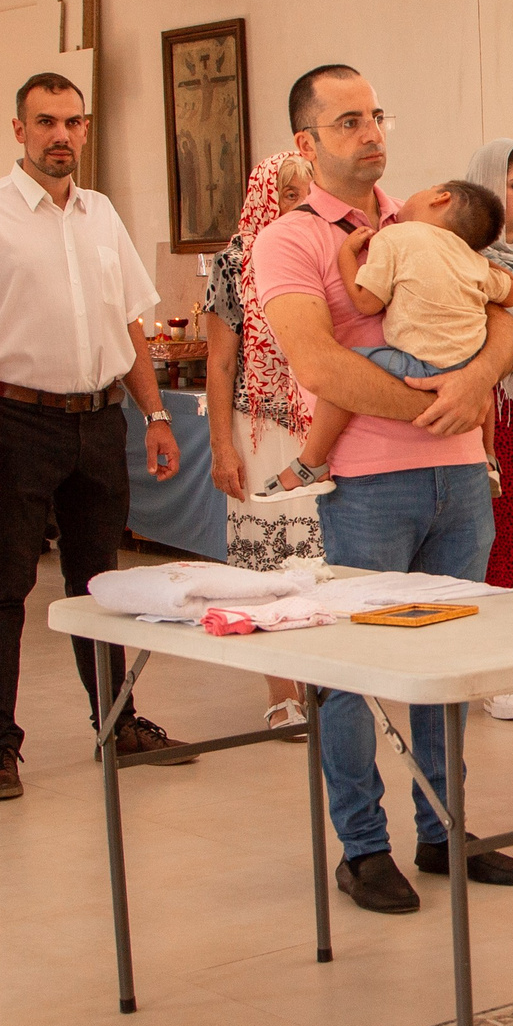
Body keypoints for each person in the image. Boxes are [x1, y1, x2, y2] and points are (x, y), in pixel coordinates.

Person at [254, 65, 513, 911]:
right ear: (307, 144)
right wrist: (431, 403)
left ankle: (445, 827)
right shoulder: (291, 240)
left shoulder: (424, 219)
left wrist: (474, 383)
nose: (371, 134)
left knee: (447, 661)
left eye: (376, 116)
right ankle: (363, 846)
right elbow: (316, 358)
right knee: (349, 668)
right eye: (347, 123)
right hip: (362, 483)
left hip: (455, 476)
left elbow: (500, 323)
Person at [0, 72, 185, 802]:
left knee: (100, 583)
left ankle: (118, 721)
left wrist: (156, 414)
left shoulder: (101, 214)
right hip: (15, 424)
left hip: (99, 423)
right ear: (19, 130)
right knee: (3, 586)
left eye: (73, 123)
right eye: (45, 122)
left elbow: (128, 323)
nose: (61, 136)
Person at [252, 181, 513, 499]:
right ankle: (489, 459)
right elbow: (509, 297)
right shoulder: (469, 257)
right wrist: (468, 391)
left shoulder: (397, 235)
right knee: (483, 395)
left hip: (421, 368)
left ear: (441, 197)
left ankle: (312, 463)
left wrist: (348, 255)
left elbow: (367, 302)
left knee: (347, 370)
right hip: (459, 370)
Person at [203, 150, 321, 735]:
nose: (300, 207)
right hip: (260, 430)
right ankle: (282, 692)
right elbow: (221, 366)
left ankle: (324, 681)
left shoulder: (323, 252)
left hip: (320, 425)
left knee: (321, 558)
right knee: (268, 565)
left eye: (308, 195)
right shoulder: (234, 263)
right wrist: (221, 447)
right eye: (289, 195)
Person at [468, 139, 513, 724]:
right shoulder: (469, 258)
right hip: (491, 411)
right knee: (501, 526)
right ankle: (496, 667)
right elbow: (473, 338)